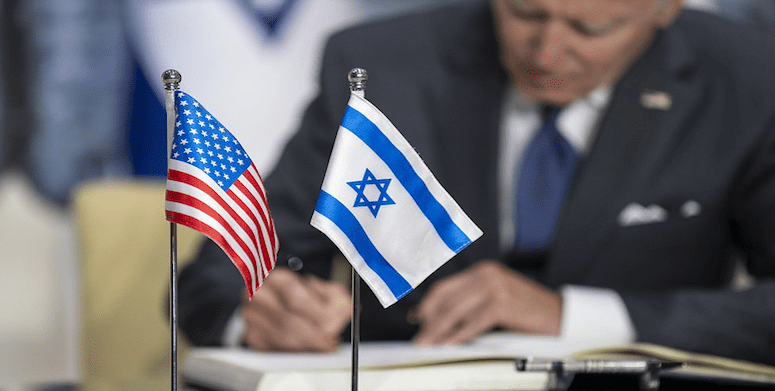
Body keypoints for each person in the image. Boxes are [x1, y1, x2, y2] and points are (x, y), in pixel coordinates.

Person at [178, 0, 775, 365]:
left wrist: (575, 316)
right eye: (526, 13)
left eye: (591, 29)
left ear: (666, 8)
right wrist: (259, 314)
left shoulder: (748, 75)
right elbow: (216, 275)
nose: (548, 50)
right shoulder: (382, 66)